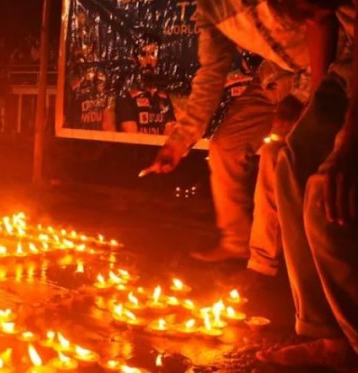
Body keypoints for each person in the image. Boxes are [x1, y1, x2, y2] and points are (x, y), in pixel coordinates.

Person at [140, 0, 311, 274]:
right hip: (272, 75)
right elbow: (210, 75)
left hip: (323, 69)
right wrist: (179, 141)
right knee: (224, 147)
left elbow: (328, 28)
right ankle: (235, 241)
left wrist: (301, 95)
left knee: (275, 154)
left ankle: (262, 265)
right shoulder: (211, 10)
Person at [254, 0, 358, 370]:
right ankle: (328, 337)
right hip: (348, 68)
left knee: (323, 198)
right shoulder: (321, 8)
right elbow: (321, 18)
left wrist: (346, 145)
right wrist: (317, 107)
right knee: (292, 161)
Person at [116, 42, 177, 135]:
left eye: (153, 54)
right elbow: (131, 136)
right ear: (136, 59)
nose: (148, 61)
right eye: (143, 55)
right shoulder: (127, 96)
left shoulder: (163, 97)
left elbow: (170, 133)